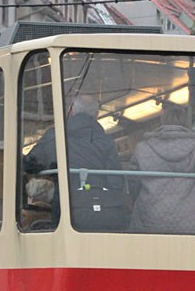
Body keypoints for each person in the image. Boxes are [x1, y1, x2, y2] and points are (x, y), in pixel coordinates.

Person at [25, 93, 128, 231]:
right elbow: (116, 182)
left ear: (71, 110)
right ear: (96, 114)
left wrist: (52, 169)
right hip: (106, 213)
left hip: (68, 209)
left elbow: (29, 165)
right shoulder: (107, 142)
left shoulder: (55, 137)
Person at [130, 103, 195, 234]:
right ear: (185, 123)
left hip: (150, 216)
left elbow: (134, 182)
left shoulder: (143, 147)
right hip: (189, 220)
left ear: (162, 122)